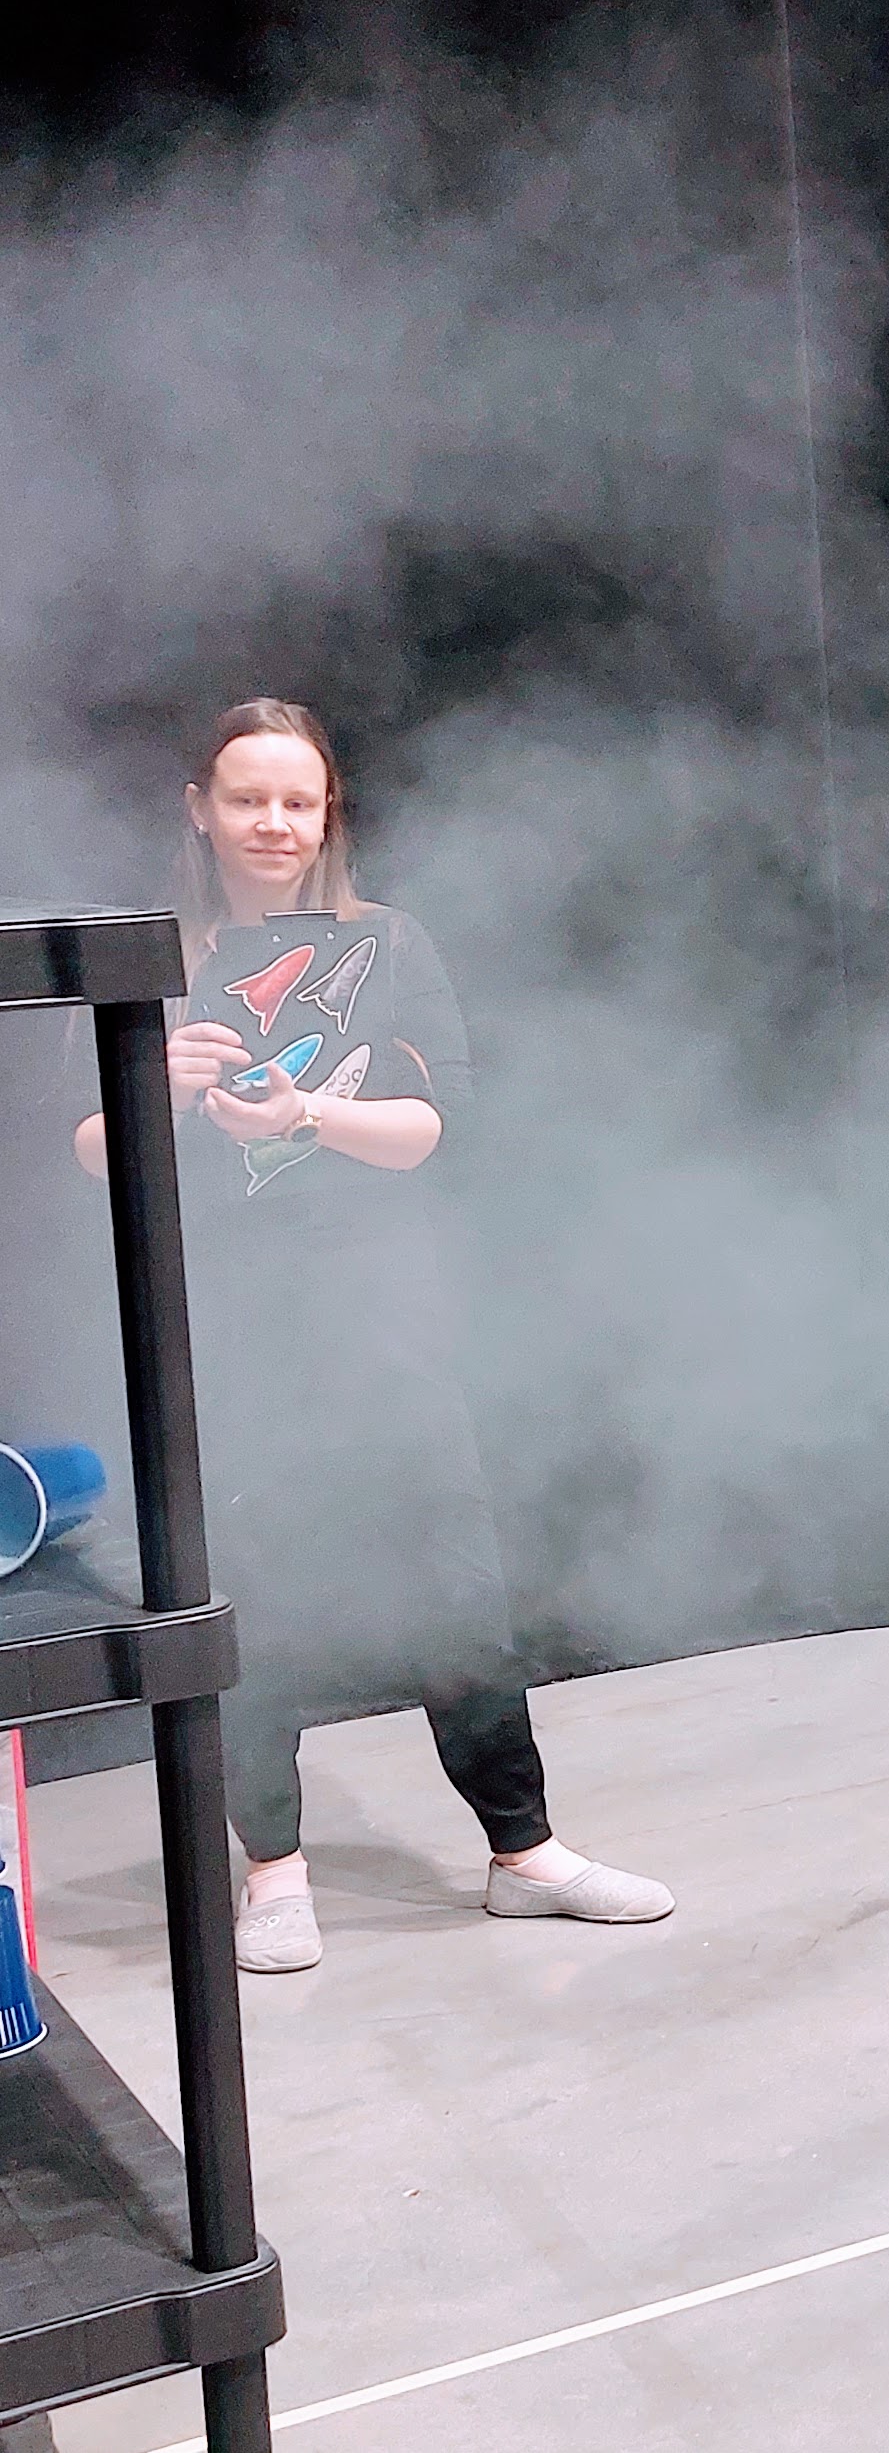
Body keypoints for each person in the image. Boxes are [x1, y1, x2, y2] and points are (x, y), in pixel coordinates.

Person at [74, 700, 673, 1974]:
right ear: (201, 808)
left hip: (381, 1314)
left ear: (328, 812)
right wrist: (158, 1085)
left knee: (456, 1584)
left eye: (299, 800)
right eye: (249, 798)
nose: (275, 822)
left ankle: (523, 1852)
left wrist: (304, 1114)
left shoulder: (389, 943)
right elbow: (85, 1151)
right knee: (253, 1597)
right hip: (222, 1327)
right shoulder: (153, 954)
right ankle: (273, 1871)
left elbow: (436, 1128)